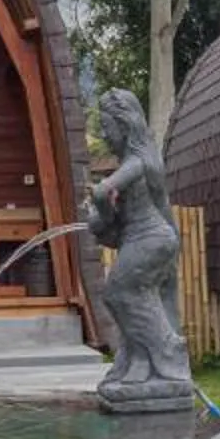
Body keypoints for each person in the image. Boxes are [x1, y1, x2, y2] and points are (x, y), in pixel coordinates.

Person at [84, 88, 195, 412]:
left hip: (151, 238)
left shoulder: (139, 161)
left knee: (121, 292)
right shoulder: (137, 161)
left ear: (126, 124)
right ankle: (139, 364)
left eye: (108, 127)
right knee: (123, 296)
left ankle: (170, 357)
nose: (105, 135)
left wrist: (101, 206)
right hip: (144, 238)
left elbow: (105, 191)